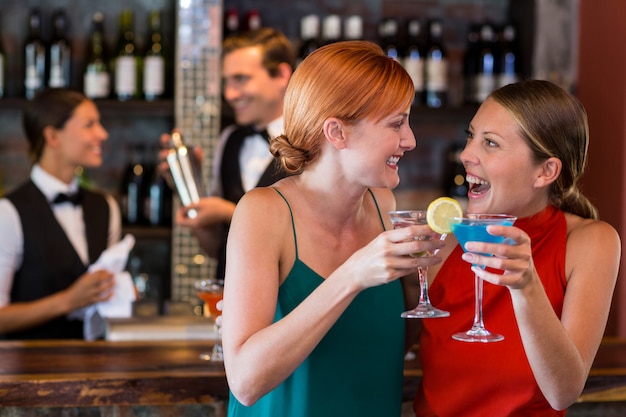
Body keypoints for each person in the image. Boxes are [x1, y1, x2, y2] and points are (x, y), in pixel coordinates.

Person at [222, 40, 442, 416]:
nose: (410, 140)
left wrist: (432, 278)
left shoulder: (383, 205)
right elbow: (245, 381)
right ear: (337, 132)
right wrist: (353, 274)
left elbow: (387, 339)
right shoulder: (263, 213)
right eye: (396, 123)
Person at [414, 80, 621, 416]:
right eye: (471, 136)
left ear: (545, 171)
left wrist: (527, 287)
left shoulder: (589, 242)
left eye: (491, 143)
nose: (466, 154)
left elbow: (563, 392)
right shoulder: (444, 239)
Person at [161, 27, 295, 280]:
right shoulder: (229, 140)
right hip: (229, 301)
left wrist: (228, 212)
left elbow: (314, 240)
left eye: (241, 79)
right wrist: (189, 187)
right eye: (226, 82)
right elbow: (214, 249)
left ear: (281, 75)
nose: (229, 94)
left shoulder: (314, 142)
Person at [0, 87, 121, 340]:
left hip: (96, 365)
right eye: (89, 124)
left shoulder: (106, 207)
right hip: (29, 371)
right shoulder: (8, 212)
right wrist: (68, 301)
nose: (102, 134)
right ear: (53, 136)